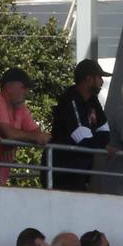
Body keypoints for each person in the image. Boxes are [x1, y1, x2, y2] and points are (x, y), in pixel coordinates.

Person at [0, 68, 50, 187]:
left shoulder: (20, 108)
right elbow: (9, 133)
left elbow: (37, 134)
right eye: (24, 87)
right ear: (9, 87)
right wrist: (12, 140)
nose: (27, 92)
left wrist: (11, 143)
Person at [49, 58, 110, 192]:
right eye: (99, 77)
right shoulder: (70, 99)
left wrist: (98, 141)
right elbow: (83, 140)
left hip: (81, 173)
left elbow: (105, 132)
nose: (102, 81)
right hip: (63, 172)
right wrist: (100, 142)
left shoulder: (93, 100)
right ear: (89, 79)